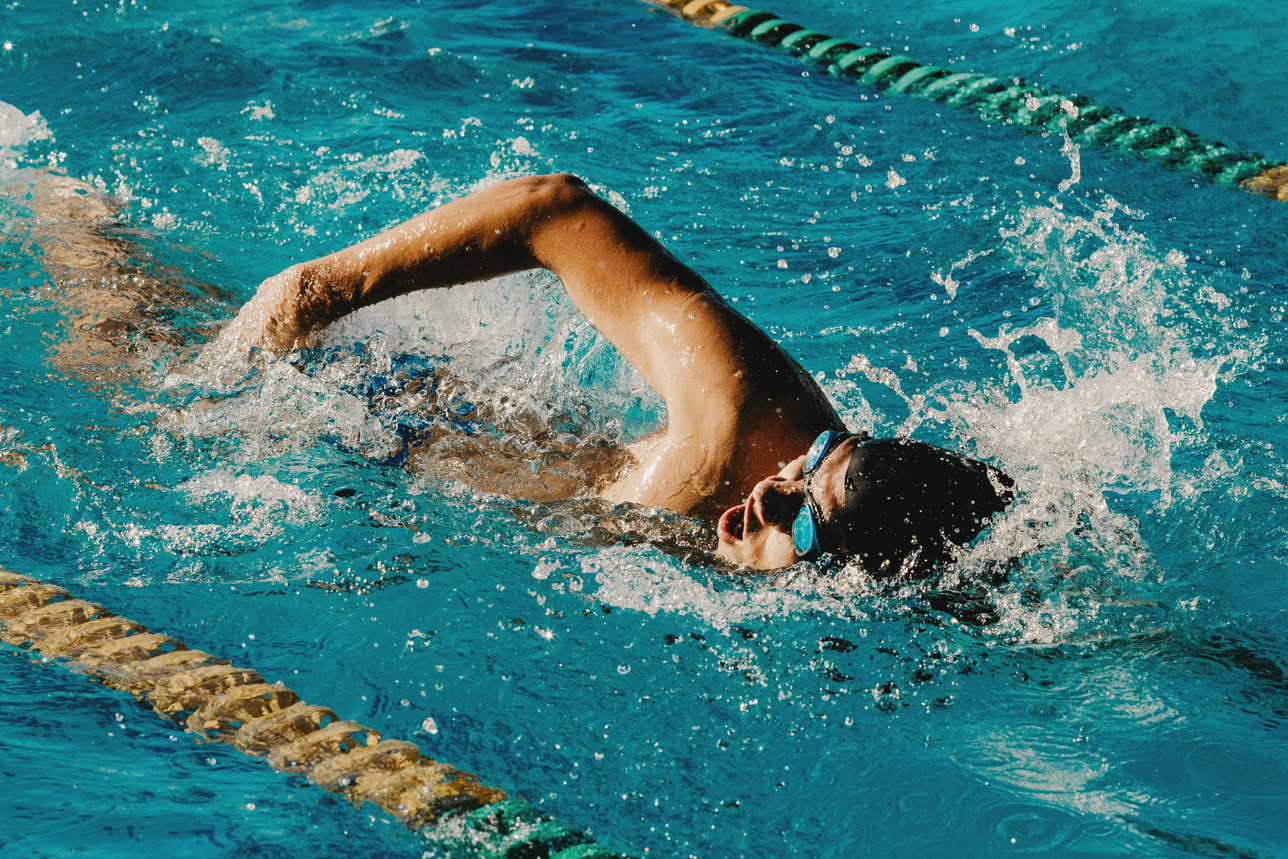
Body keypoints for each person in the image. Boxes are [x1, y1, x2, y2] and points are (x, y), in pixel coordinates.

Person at [214, 173, 1013, 574]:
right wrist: (320, 289)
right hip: (364, 423)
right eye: (815, 461)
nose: (773, 489)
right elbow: (554, 208)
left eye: (805, 522)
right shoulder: (738, 415)